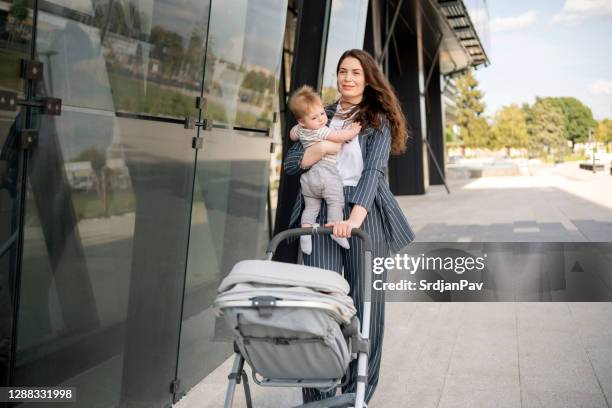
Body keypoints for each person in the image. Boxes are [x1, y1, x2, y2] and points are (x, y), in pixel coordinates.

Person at [284, 49, 416, 404]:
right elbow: (293, 163)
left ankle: (357, 395)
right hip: (322, 212)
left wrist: (353, 219)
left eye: (356, 72)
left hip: (363, 212)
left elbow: (373, 171)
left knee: (366, 306)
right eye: (343, 71)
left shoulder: (377, 119)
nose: (348, 78)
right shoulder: (319, 114)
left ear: (368, 77)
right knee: (320, 306)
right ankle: (320, 397)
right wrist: (323, 145)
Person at [287, 85, 362, 254]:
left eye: (322, 113)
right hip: (326, 175)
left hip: (308, 180)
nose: (321, 119)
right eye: (315, 117)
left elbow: (292, 135)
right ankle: (336, 230)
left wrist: (300, 126)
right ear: (303, 120)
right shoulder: (321, 131)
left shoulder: (300, 129)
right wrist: (352, 131)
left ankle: (305, 233)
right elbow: (337, 137)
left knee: (310, 208)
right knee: (335, 202)